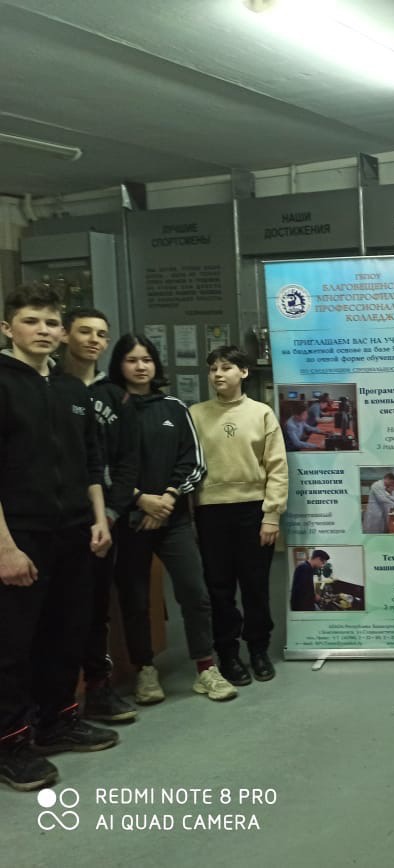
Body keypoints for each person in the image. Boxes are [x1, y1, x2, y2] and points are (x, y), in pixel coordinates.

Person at [0, 285, 115, 792]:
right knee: (12, 644)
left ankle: (57, 721)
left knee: (66, 631)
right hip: (20, 533)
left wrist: (99, 519)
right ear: (8, 328)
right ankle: (10, 743)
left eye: (51, 323)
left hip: (74, 530)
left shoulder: (72, 390)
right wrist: (5, 548)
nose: (43, 331)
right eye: (32, 321)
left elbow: (91, 462)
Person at [108, 333, 236, 706]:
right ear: (120, 365)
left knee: (195, 592)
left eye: (147, 359)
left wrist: (166, 499)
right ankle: (145, 669)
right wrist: (140, 500)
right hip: (130, 520)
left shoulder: (174, 408)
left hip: (173, 517)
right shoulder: (110, 408)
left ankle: (206, 668)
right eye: (132, 360)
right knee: (135, 598)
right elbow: (103, 466)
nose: (140, 366)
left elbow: (193, 461)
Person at [59, 308, 141, 724]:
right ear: (65, 335)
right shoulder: (50, 386)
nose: (94, 340)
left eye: (101, 334)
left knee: (95, 610)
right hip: (56, 516)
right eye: (85, 332)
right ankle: (52, 704)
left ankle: (98, 689)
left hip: (103, 520)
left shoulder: (117, 396)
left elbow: (127, 461)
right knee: (55, 613)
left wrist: (109, 512)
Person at [190, 346, 288, 687]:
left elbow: (277, 467)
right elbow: (188, 466)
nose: (218, 374)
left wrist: (271, 515)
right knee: (219, 588)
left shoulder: (261, 413)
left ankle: (258, 649)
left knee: (255, 585)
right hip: (210, 511)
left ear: (243, 372)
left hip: (253, 511)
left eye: (226, 367)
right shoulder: (196, 414)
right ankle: (228, 653)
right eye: (212, 368)